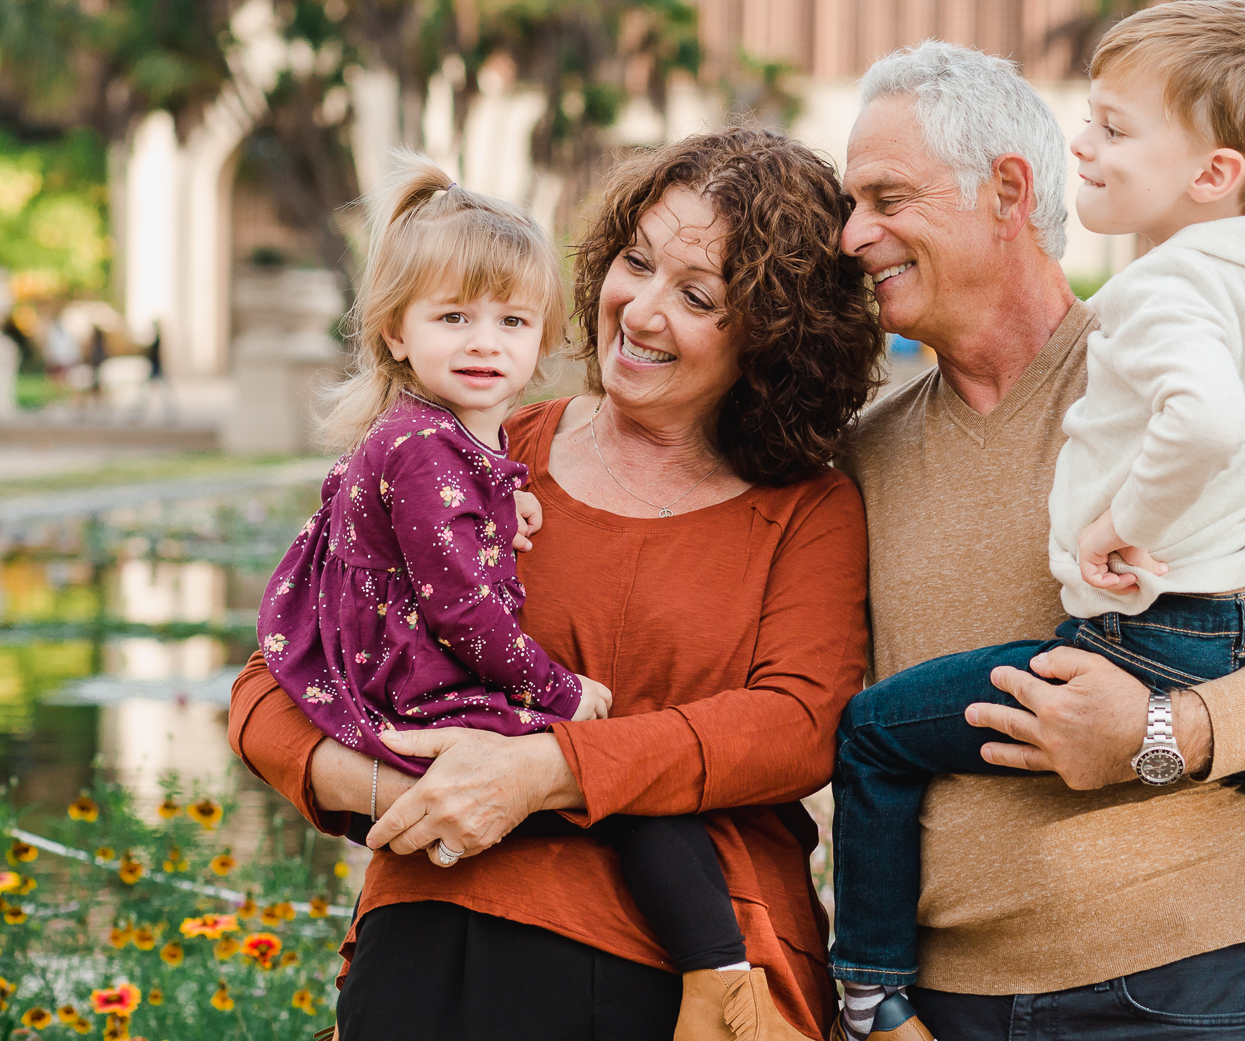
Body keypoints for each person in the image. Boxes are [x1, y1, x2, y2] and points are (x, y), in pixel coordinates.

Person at [228, 129, 880, 1041]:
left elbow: (797, 725)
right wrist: (396, 784)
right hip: (434, 926)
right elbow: (279, 671)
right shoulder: (470, 454)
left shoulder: (807, 509)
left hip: (686, 956)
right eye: (636, 261)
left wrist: (548, 771)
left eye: (695, 295)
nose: (642, 310)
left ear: (776, 335)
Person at [837, 40, 1245, 1041]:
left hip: (1166, 996)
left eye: (885, 198)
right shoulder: (864, 457)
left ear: (1007, 192)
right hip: (933, 1013)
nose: (853, 235)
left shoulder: (1179, 379)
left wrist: (1163, 736)